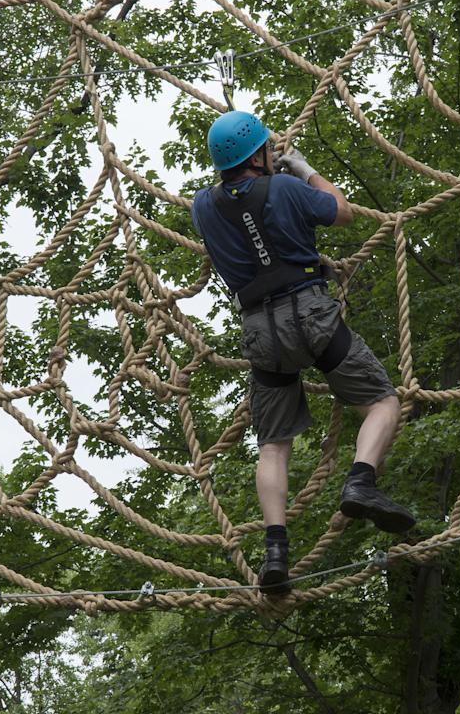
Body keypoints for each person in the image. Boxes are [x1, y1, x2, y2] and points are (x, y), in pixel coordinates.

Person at [190, 110, 415, 596]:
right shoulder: (288, 188)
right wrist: (304, 169)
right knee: (382, 402)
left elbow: (241, 225)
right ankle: (360, 482)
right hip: (310, 314)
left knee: (273, 444)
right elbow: (343, 211)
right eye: (269, 149)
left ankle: (275, 552)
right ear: (258, 156)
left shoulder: (202, 207)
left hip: (260, 331)